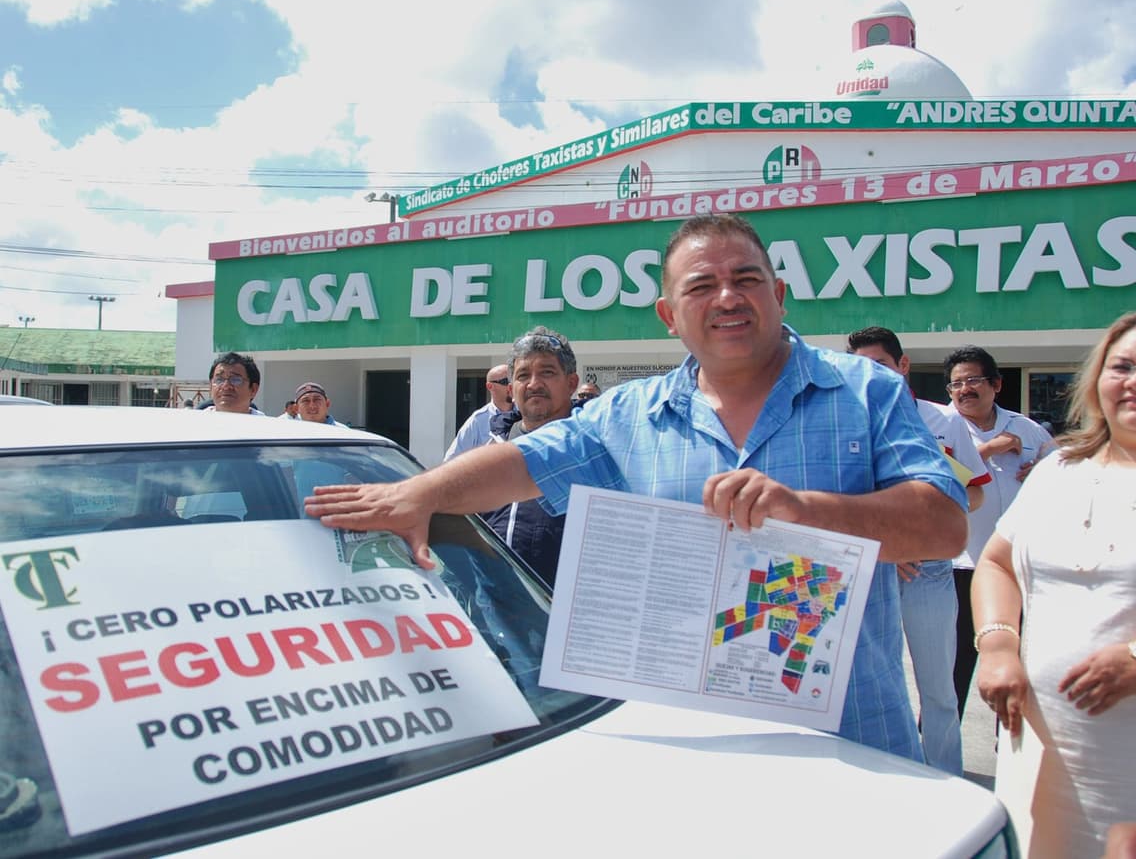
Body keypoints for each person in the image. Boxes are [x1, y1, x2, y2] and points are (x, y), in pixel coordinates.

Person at [305, 213, 968, 760]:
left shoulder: (864, 390)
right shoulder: (628, 415)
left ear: (779, 293)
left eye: (747, 279)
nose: (729, 297)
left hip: (852, 742)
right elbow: (521, 462)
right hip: (691, 747)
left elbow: (943, 523)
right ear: (668, 315)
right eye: (702, 286)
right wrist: (421, 494)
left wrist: (803, 511)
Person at [971, 306, 1136, 858]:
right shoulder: (1059, 470)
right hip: (1041, 756)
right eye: (1121, 367)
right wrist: (999, 645)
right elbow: (997, 563)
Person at [849, 326, 990, 775]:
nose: (872, 376)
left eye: (882, 366)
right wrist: (889, 541)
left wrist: (922, 528)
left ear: (903, 365)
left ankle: (946, 780)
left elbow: (976, 493)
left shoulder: (942, 421)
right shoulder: (847, 418)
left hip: (929, 573)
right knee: (875, 690)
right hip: (873, 571)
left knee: (939, 691)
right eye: (862, 368)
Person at [943, 344, 1054, 716]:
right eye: (956, 383)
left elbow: (1063, 471)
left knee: (1018, 667)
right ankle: (935, 756)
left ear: (997, 384)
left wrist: (1039, 465)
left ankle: (1007, 749)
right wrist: (988, 450)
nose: (964, 390)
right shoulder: (940, 428)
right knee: (951, 671)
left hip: (1019, 569)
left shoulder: (1027, 429)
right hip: (961, 566)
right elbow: (940, 482)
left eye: (973, 380)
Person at [483, 327, 578, 588]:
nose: (534, 384)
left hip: (565, 616)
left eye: (547, 372)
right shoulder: (492, 452)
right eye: (524, 375)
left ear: (571, 383)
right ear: (511, 389)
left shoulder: (595, 450)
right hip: (495, 613)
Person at [443, 364, 513, 462]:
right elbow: (451, 461)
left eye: (514, 380)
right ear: (490, 386)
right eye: (505, 382)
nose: (511, 386)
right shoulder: (478, 421)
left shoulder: (526, 415)